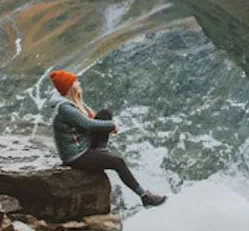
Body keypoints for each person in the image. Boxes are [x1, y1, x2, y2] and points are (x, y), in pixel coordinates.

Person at [48, 69, 167, 207]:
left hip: (83, 144)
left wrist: (106, 124)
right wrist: (111, 125)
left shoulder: (71, 102)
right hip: (76, 155)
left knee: (105, 113)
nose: (79, 83)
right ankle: (145, 196)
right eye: (75, 82)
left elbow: (89, 119)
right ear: (69, 87)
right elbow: (88, 124)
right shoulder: (65, 108)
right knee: (118, 162)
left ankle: (100, 151)